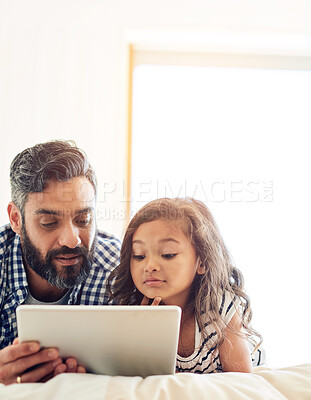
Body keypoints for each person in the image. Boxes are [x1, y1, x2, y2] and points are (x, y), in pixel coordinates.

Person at [0, 140, 120, 385]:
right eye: (49, 223)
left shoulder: (121, 269)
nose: (71, 240)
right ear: (16, 219)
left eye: (83, 219)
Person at [108, 197, 263, 373]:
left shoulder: (220, 309)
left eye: (168, 254)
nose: (150, 266)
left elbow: (240, 380)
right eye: (139, 255)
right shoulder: (131, 310)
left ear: (202, 262)